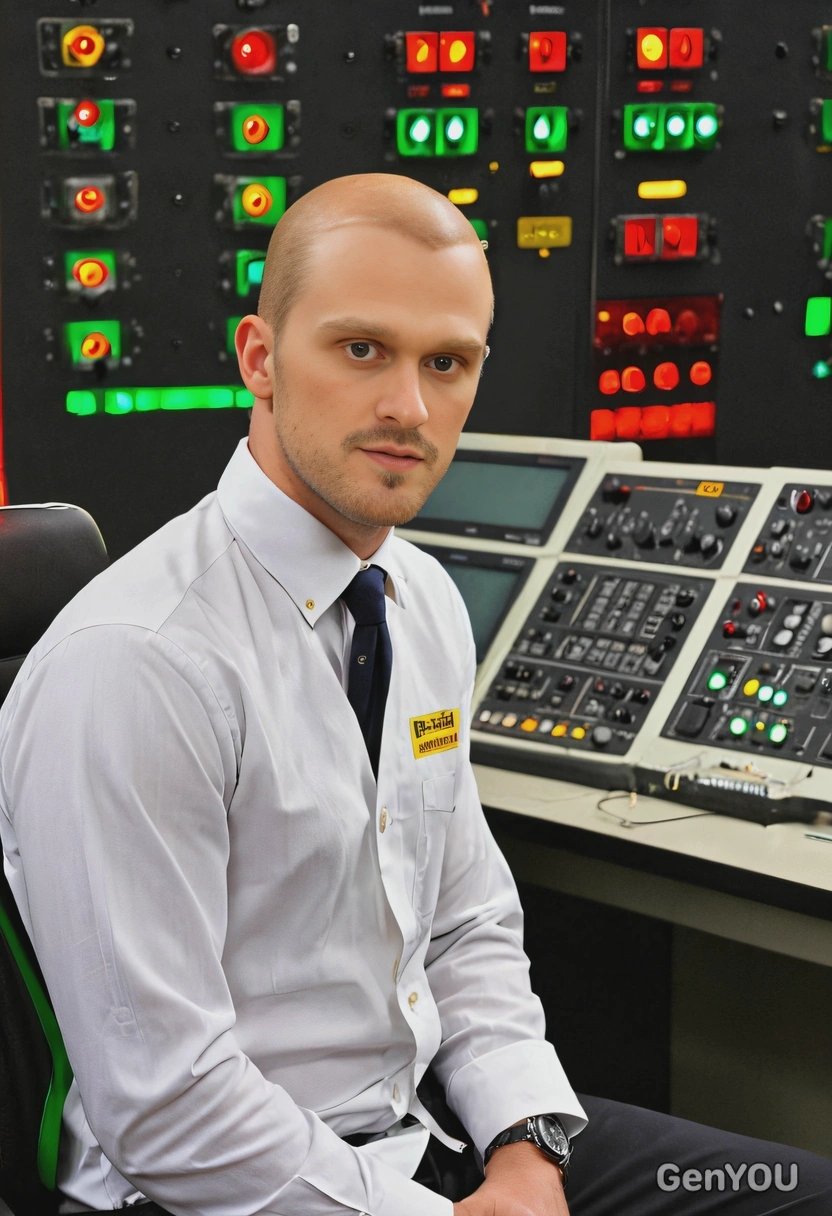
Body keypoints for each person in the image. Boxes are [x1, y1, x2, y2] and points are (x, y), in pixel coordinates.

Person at [0, 173, 830, 1216]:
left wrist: (526, 1147)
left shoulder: (419, 598)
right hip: (225, 1188)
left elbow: (465, 922)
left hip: (431, 1135)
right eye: (361, 351)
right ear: (260, 359)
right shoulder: (139, 661)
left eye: (448, 363)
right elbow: (167, 1106)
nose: (409, 405)